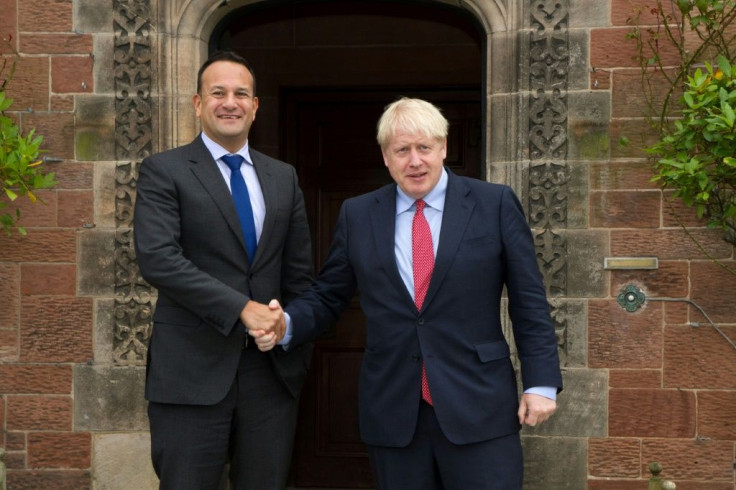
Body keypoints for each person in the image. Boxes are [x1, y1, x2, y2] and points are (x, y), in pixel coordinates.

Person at [254, 98, 563, 489]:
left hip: (479, 405)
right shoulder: (358, 214)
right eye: (402, 150)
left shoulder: (493, 204)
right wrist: (287, 323)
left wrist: (540, 384)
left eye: (424, 148)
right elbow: (330, 294)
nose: (414, 161)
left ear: (444, 148)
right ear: (386, 156)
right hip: (395, 412)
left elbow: (528, 299)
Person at [133, 51, 313, 490]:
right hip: (190, 374)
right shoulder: (165, 171)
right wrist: (242, 309)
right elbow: (159, 258)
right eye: (218, 93)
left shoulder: (282, 177)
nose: (229, 102)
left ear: (255, 107)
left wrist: (285, 324)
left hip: (269, 378)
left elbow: (299, 274)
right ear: (197, 103)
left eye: (241, 94)